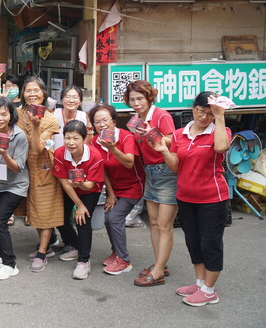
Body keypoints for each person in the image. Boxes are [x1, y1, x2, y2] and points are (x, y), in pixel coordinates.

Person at [151, 92, 230, 306]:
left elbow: (221, 148)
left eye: (209, 114)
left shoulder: (221, 131)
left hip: (213, 199)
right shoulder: (179, 135)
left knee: (210, 243)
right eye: (201, 111)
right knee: (193, 242)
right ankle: (200, 283)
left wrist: (219, 116)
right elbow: (176, 167)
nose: (204, 117)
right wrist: (164, 151)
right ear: (193, 109)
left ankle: (210, 290)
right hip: (185, 198)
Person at [123, 80, 178, 287]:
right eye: (132, 100)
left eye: (140, 98)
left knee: (164, 225)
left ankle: (158, 271)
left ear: (149, 97)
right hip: (150, 171)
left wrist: (151, 134)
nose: (136, 103)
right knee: (154, 223)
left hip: (166, 171)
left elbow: (173, 140)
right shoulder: (136, 119)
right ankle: (160, 264)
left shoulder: (161, 115)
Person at [89, 104, 145, 275]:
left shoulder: (126, 137)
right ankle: (116, 252)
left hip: (133, 186)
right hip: (114, 188)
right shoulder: (95, 141)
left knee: (114, 218)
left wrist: (112, 147)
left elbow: (129, 162)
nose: (102, 125)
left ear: (114, 121)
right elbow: (103, 169)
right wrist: (111, 194)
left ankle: (124, 261)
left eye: (105, 120)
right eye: (97, 122)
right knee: (108, 217)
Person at [16, 77, 63, 272]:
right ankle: (47, 245)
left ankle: (42, 252)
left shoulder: (50, 119)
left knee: (44, 210)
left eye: (36, 90)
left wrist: (35, 126)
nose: (32, 94)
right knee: (32, 209)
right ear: (23, 93)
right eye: (28, 90)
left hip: (43, 168)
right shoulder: (18, 113)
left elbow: (37, 149)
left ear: (43, 94)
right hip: (22, 168)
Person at [0, 97, 29, 280]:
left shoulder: (19, 136)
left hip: (15, 185)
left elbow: (18, 167)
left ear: (11, 116)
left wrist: (4, 154)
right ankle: (1, 257)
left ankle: (10, 264)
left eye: (4, 114)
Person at [53, 120, 105, 280]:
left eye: (76, 138)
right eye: (67, 138)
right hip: (70, 189)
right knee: (60, 218)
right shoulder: (59, 154)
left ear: (84, 139)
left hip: (89, 191)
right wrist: (79, 205)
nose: (71, 142)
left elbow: (90, 186)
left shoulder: (95, 155)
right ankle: (75, 246)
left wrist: (81, 185)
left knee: (83, 221)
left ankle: (84, 260)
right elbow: (64, 183)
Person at [53, 86, 91, 259]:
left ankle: (73, 244)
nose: (71, 100)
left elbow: (88, 144)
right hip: (57, 164)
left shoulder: (84, 117)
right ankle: (57, 239)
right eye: (68, 96)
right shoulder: (53, 114)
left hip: (77, 167)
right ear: (61, 99)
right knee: (57, 208)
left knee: (71, 209)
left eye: (75, 97)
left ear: (80, 101)